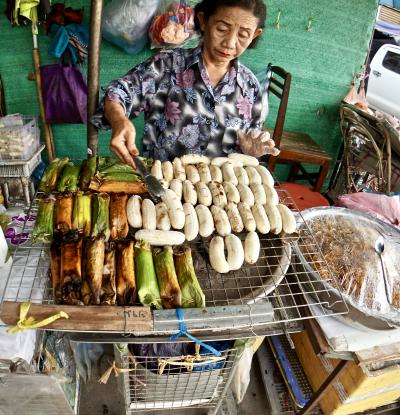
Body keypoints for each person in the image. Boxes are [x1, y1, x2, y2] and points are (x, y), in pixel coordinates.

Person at [92, 0, 279, 167]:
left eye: (243, 35)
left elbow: (252, 138)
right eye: (222, 29)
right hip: (163, 188)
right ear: (204, 21)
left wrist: (251, 150)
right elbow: (118, 92)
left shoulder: (251, 87)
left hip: (222, 197)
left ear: (255, 35)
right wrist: (119, 120)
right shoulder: (166, 66)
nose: (230, 43)